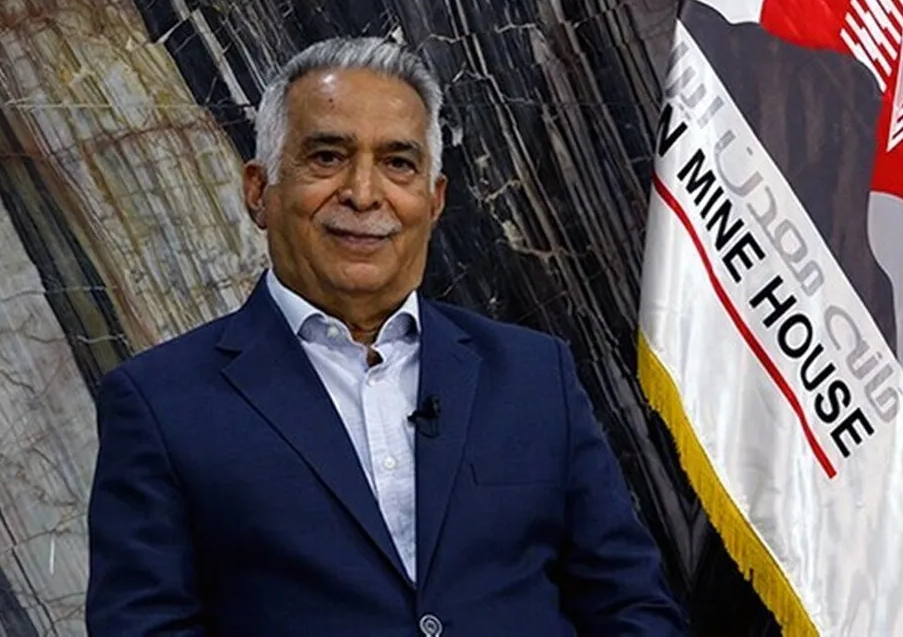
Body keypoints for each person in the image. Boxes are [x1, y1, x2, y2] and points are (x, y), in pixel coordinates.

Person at [85, 36, 685, 636]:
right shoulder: (161, 403)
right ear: (258, 191)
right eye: (327, 157)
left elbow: (631, 606)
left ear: (434, 199)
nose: (364, 193)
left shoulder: (534, 376)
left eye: (398, 163)